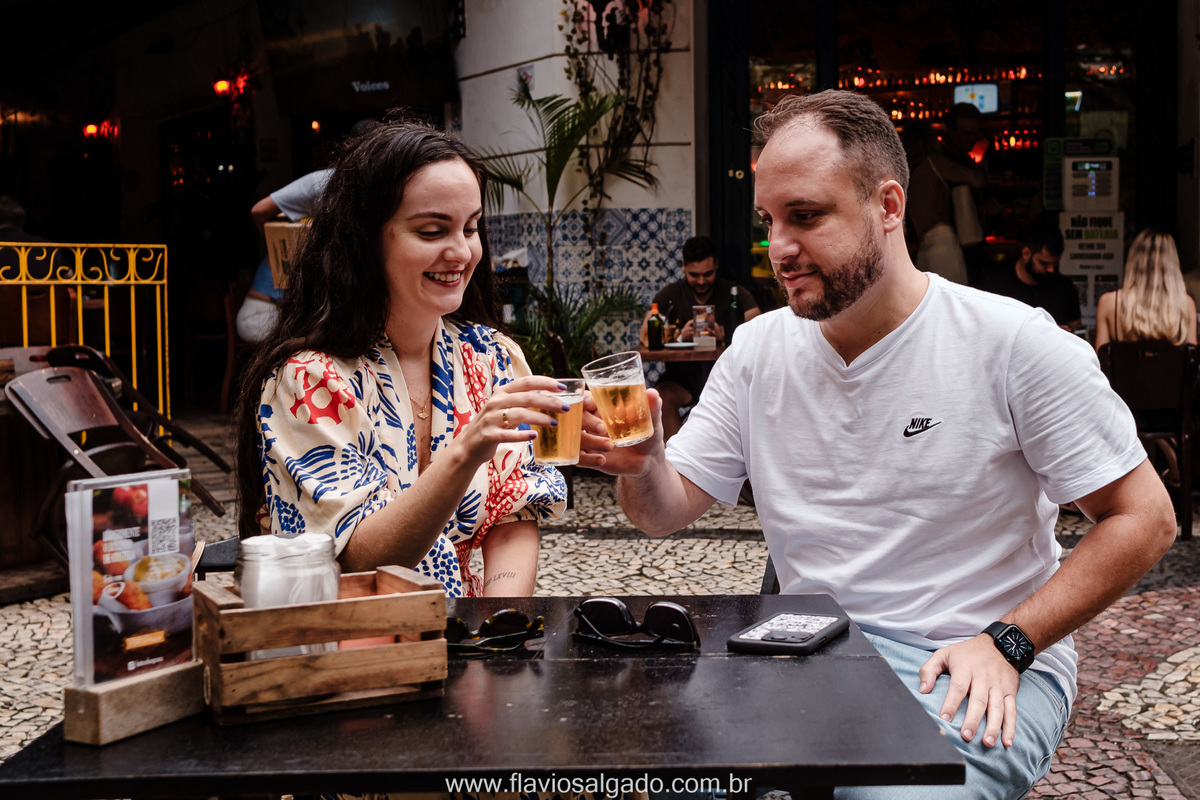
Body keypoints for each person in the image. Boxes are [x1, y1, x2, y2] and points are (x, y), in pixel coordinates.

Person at [579, 89, 1175, 798]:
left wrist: (1009, 643)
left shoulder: (1013, 344)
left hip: (965, 659)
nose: (780, 249)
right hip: (807, 653)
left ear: (888, 208)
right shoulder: (756, 350)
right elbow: (662, 512)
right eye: (769, 220)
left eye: (806, 216)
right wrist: (644, 464)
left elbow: (1146, 517)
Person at [233, 115, 569, 597]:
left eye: (471, 228)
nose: (461, 252)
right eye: (432, 231)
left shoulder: (491, 356)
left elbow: (512, 513)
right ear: (366, 240)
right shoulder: (313, 380)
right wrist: (465, 452)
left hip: (471, 645)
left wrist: (497, 627)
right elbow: (357, 561)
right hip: (359, 650)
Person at [1094, 229, 1197, 487]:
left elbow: (1101, 367)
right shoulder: (1185, 305)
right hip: (1174, 415)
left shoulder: (1110, 303)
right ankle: (1176, 463)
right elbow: (1191, 367)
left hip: (1123, 413)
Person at [637, 235, 760, 439]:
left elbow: (757, 322)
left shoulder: (733, 292)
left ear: (717, 265)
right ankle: (674, 466)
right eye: (694, 275)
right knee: (661, 397)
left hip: (728, 376)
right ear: (684, 266)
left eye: (708, 274)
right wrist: (677, 336)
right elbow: (645, 335)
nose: (701, 281)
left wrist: (726, 331)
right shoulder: (672, 294)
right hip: (683, 379)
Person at [903, 114, 987, 286]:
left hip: (922, 242)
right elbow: (977, 180)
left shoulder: (905, 170)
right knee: (950, 304)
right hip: (943, 240)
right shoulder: (934, 162)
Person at [982, 225, 1082, 331]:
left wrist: (1066, 334)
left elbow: (1077, 329)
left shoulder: (1064, 287)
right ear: (1026, 253)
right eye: (1044, 263)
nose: (1051, 269)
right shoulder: (996, 285)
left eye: (1055, 264)